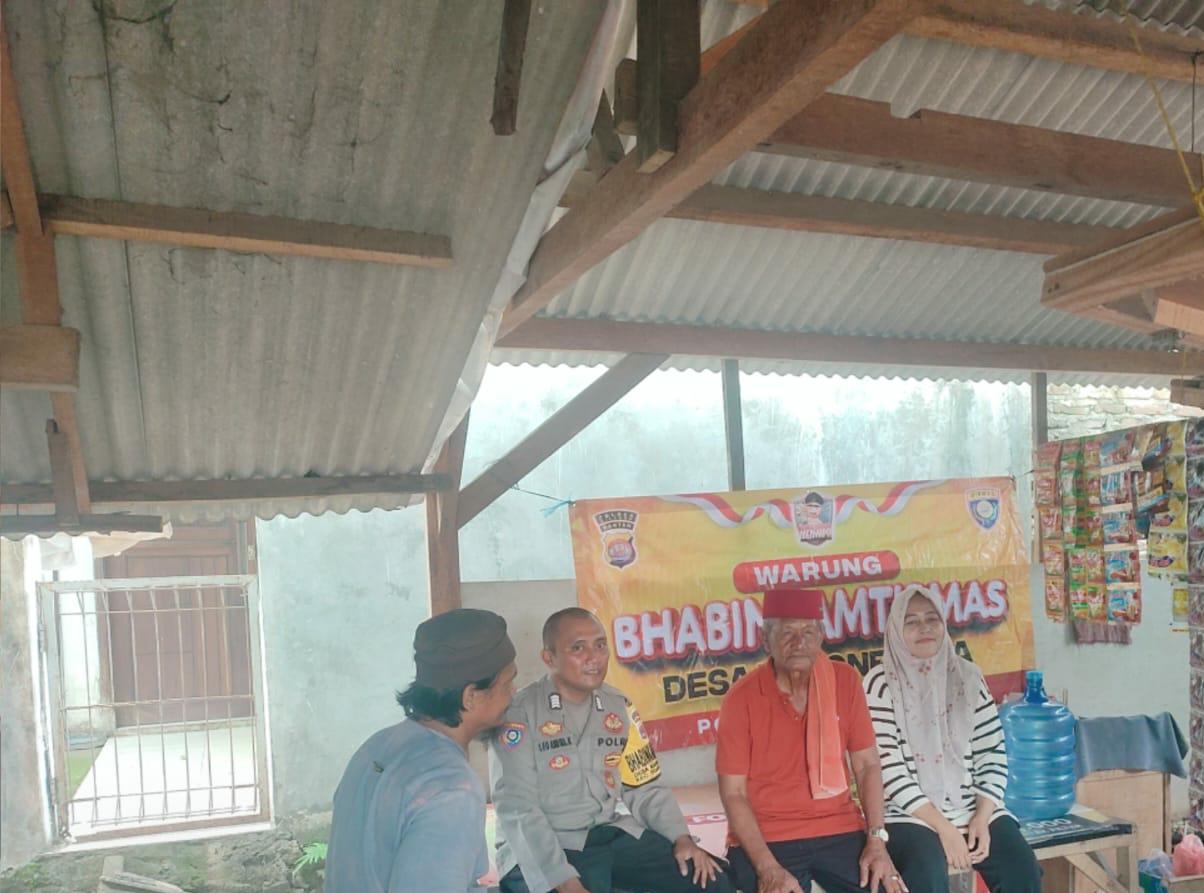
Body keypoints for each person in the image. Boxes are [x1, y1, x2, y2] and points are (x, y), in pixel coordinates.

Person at [490, 607, 732, 893]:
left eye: (600, 645)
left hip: (605, 835)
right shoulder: (519, 714)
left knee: (709, 881)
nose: (593, 657)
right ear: (549, 658)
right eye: (578, 648)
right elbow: (518, 808)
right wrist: (561, 880)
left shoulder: (618, 707)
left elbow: (644, 787)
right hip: (546, 846)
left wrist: (681, 838)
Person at [716, 588, 904, 893]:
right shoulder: (741, 698)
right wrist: (768, 868)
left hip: (839, 828)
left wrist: (877, 842)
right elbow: (733, 793)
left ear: (821, 637)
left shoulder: (845, 681)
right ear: (766, 640)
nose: (799, 642)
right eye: (787, 632)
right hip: (767, 836)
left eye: (808, 631)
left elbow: (867, 765)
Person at [862, 584, 1041, 893]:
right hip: (909, 814)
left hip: (971, 806)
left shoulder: (968, 677)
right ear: (895, 631)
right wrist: (944, 828)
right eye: (911, 621)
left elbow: (992, 753)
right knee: (925, 874)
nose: (924, 628)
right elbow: (888, 770)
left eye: (932, 619)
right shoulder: (879, 683)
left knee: (1022, 869)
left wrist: (983, 816)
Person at [325, 608, 518, 893]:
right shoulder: (452, 788)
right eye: (507, 683)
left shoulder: (377, 746)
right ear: (471, 697)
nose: (514, 693)